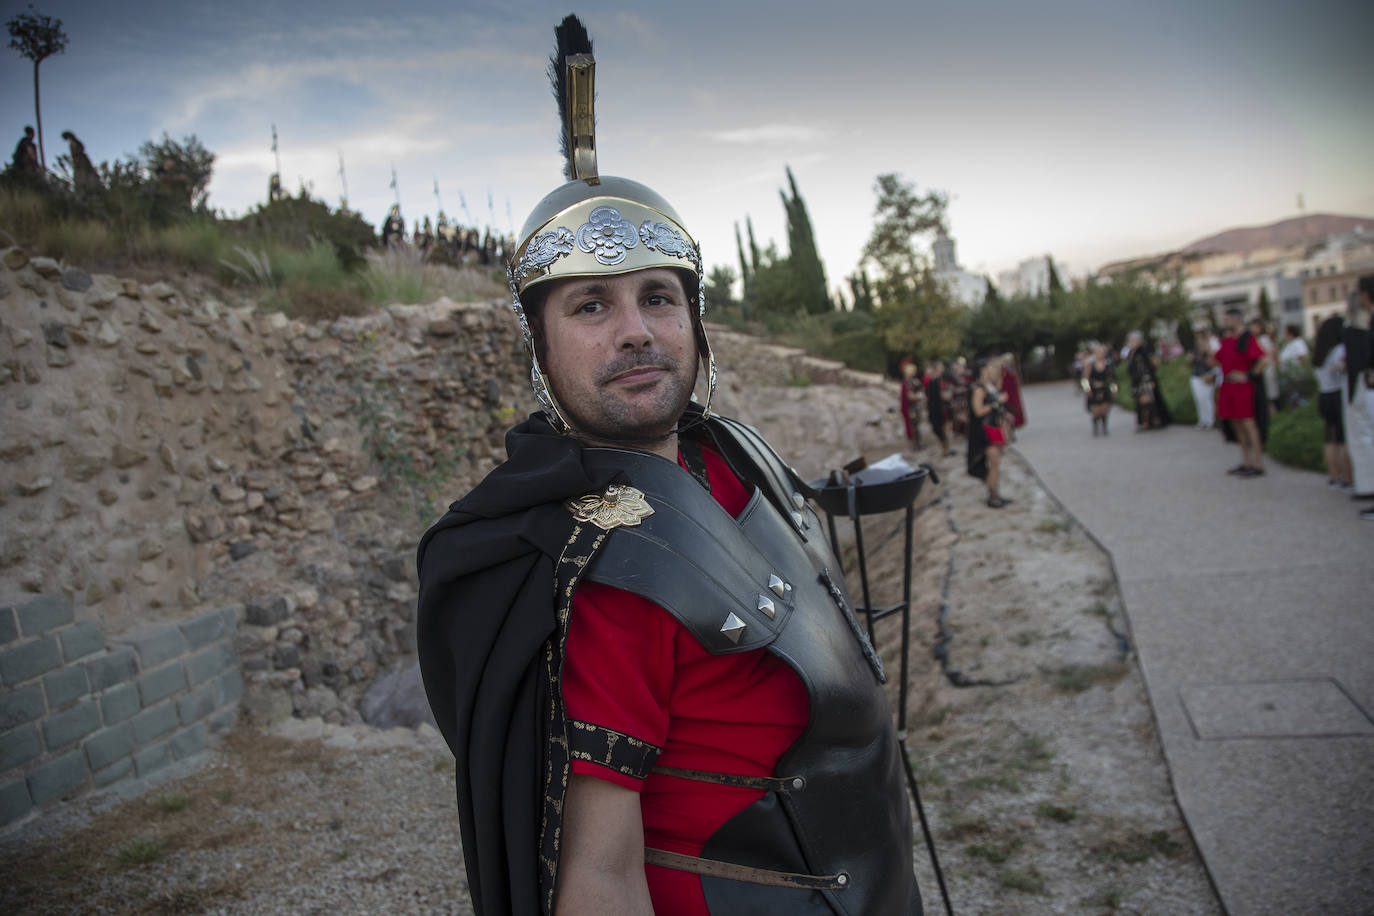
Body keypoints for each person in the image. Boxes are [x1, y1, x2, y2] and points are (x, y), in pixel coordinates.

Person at [415, 16, 921, 915]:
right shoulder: (597, 572)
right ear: (540, 349)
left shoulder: (733, 455)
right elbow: (598, 879)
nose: (636, 329)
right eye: (590, 307)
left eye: (658, 296)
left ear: (695, 322)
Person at [1212, 308, 1268, 477]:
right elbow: (1216, 359)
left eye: (1226, 318)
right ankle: (1246, 461)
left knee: (1249, 424)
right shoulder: (1228, 341)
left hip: (1242, 388)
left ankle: (1258, 463)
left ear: (1236, 319)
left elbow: (1264, 359)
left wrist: (1248, 375)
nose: (1224, 321)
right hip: (1228, 386)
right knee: (1237, 425)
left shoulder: (1248, 339)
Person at [1312, 316, 1352, 490]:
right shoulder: (1338, 349)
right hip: (1337, 395)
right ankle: (1348, 478)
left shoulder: (1319, 351)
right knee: (1343, 440)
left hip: (1324, 395)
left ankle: (1334, 477)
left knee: (1330, 439)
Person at [969, 357, 1011, 507]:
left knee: (996, 464)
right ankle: (993, 497)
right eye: (989, 368)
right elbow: (978, 411)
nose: (991, 370)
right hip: (984, 432)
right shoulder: (978, 389)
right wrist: (997, 402)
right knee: (993, 463)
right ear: (982, 371)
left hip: (995, 428)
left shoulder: (990, 385)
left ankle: (995, 493)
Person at [1124, 331, 1171, 430]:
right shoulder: (1131, 353)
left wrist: (1151, 376)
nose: (1131, 343)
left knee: (1149, 400)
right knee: (1141, 402)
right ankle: (1145, 421)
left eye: (1133, 340)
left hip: (1147, 379)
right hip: (1137, 381)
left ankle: (1153, 420)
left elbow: (1154, 363)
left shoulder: (1145, 350)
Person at [1082, 344, 1116, 436]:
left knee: (1104, 410)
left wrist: (1114, 390)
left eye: (1101, 352)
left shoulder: (1107, 364)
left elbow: (1111, 379)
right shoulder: (1090, 365)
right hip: (1094, 389)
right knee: (1096, 411)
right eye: (1098, 352)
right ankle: (1095, 428)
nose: (1100, 354)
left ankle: (1104, 427)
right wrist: (1087, 389)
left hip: (1104, 389)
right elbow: (1085, 379)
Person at [1187, 337, 1218, 429]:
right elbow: (1190, 364)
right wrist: (1190, 359)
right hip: (1196, 376)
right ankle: (1202, 420)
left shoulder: (1209, 352)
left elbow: (1214, 365)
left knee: (1208, 399)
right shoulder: (1194, 352)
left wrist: (1207, 354)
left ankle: (1210, 421)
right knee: (1199, 400)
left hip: (1207, 376)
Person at [1252, 318, 1281, 414]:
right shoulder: (1264, 339)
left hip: (1265, 371)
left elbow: (1265, 356)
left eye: (1254, 326)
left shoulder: (1261, 340)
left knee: (1268, 398)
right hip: (1268, 370)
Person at [925, 358, 953, 456]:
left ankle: (946, 449)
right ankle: (945, 449)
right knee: (939, 429)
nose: (943, 368)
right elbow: (941, 395)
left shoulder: (935, 380)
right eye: (941, 367)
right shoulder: (935, 381)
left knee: (942, 429)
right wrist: (949, 396)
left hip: (936, 407)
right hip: (937, 408)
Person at [899, 358, 924, 450]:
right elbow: (910, 396)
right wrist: (919, 396)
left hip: (914, 406)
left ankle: (918, 443)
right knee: (912, 426)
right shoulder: (907, 383)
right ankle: (914, 445)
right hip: (911, 408)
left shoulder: (913, 381)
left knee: (916, 425)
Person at [1000, 353, 1026, 433]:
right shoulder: (1003, 370)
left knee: (1015, 409)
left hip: (1013, 393)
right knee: (1009, 410)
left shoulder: (1012, 368)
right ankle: (1010, 429)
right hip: (1007, 393)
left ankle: (1014, 426)